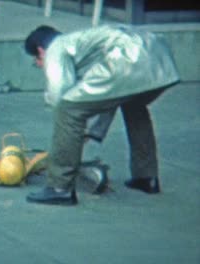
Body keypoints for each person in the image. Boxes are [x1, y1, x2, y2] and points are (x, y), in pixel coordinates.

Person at [23, 25, 180, 205]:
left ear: (41, 51)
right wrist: (90, 132)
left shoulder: (56, 48)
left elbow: (60, 95)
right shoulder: (81, 41)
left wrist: (68, 140)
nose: (40, 64)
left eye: (37, 60)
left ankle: (60, 187)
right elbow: (107, 97)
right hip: (159, 56)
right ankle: (146, 177)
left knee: (67, 110)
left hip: (128, 60)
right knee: (133, 105)